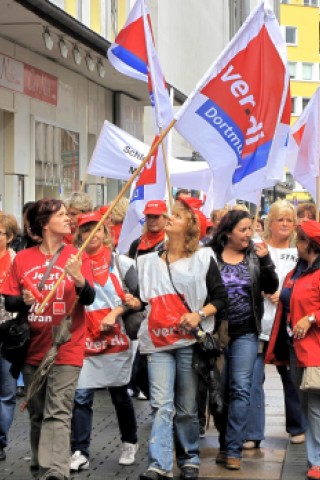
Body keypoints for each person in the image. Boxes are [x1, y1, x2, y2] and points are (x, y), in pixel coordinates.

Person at [2, 198, 95, 480]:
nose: (69, 219)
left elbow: (89, 298)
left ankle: (56, 473)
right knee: (38, 415)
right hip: (33, 347)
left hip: (66, 344)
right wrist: (24, 300)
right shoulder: (24, 258)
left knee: (58, 412)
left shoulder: (77, 256)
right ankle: (40, 468)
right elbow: (10, 301)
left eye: (69, 214)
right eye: (62, 215)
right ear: (44, 223)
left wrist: (79, 279)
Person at [138, 197, 228, 480]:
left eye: (176, 215)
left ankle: (189, 458)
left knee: (187, 408)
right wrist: (128, 301)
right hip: (158, 343)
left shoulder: (203, 258)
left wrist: (199, 315)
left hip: (190, 342)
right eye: (169, 213)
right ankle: (160, 464)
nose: (168, 217)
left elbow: (221, 298)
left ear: (191, 225)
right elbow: (142, 301)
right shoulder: (147, 261)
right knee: (160, 405)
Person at [207, 210, 278, 470]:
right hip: (216, 334)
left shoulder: (255, 257)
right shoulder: (210, 256)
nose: (249, 234)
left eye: (251, 229)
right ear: (228, 233)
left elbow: (271, 287)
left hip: (246, 332)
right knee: (219, 392)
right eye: (243, 229)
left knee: (240, 389)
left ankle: (234, 448)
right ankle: (225, 444)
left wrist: (267, 260)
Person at [70, 211, 141, 472]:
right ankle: (80, 450)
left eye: (96, 229)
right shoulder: (74, 264)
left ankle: (129, 441)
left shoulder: (122, 263)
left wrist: (117, 311)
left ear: (105, 232)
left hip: (116, 339)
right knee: (81, 395)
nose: (91, 235)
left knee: (120, 393)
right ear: (79, 235)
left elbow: (138, 299)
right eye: (86, 230)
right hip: (85, 337)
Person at [244, 201, 306, 449]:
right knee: (252, 378)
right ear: (269, 223)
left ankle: (297, 426)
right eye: (279, 219)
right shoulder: (257, 249)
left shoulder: (299, 251)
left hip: (287, 324)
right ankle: (252, 432)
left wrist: (287, 295)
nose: (284, 224)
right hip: (259, 322)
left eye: (288, 220)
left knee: (291, 378)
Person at [266, 220, 320, 480]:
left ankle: (316, 462)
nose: (295, 244)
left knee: (315, 407)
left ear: (309, 244)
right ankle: (315, 460)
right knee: (307, 405)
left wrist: (311, 318)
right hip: (296, 349)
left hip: (316, 350)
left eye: (299, 239)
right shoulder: (295, 272)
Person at [0, 214, 19, 461]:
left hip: (8, 333)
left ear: (10, 237)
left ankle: (0, 439)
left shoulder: (18, 261)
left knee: (6, 392)